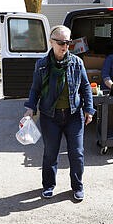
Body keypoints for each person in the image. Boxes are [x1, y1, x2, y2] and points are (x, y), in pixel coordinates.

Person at [24, 25, 95, 201]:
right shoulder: (41, 65)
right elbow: (35, 90)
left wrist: (89, 109)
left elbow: (86, 87)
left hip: (73, 115)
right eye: (61, 42)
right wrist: (29, 109)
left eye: (68, 42)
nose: (65, 46)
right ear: (51, 41)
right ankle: (48, 185)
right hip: (50, 117)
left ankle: (77, 186)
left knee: (77, 153)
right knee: (50, 153)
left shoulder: (77, 63)